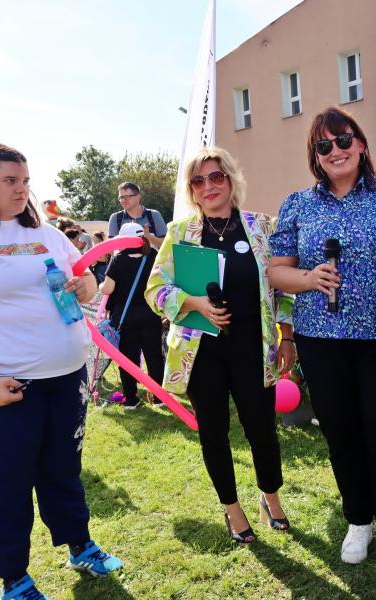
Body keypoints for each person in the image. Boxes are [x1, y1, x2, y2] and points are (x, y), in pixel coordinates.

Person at [0, 142, 122, 600]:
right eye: (9, 181)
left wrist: (85, 284)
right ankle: (14, 578)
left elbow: (84, 280)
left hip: (65, 378)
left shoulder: (44, 233)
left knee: (63, 468)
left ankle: (79, 545)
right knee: (4, 482)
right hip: (0, 386)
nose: (21, 189)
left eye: (25, 180)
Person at [269, 107, 376, 567]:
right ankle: (358, 519)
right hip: (321, 339)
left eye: (344, 140)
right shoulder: (298, 204)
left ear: (362, 144)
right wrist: (309, 278)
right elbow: (276, 270)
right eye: (324, 145)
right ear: (315, 155)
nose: (335, 150)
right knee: (341, 431)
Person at [145, 147, 295, 544]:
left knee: (262, 430)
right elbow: (155, 290)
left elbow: (283, 287)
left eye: (216, 176)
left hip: (253, 348)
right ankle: (232, 508)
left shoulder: (262, 227)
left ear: (230, 179)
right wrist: (194, 303)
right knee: (213, 433)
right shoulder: (180, 233)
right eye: (198, 180)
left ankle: (270, 497)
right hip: (201, 353)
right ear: (191, 190)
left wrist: (287, 335)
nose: (208, 186)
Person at [99, 222, 164, 410]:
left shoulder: (119, 259)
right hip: (151, 313)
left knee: (128, 358)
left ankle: (131, 399)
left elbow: (108, 288)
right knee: (154, 356)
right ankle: (159, 398)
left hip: (125, 316)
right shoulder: (154, 256)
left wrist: (101, 286)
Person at [108, 182, 166, 249]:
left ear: (138, 197)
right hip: (124, 256)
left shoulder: (154, 215)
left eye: (127, 197)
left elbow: (166, 244)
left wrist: (148, 236)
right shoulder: (115, 218)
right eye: (121, 197)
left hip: (153, 256)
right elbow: (110, 249)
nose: (124, 200)